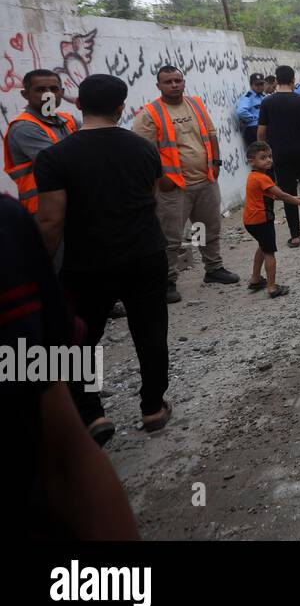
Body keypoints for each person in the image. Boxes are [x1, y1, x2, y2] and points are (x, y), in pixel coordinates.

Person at [34, 73, 173, 437]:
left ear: (77, 105)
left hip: (86, 263)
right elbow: (151, 198)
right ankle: (152, 408)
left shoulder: (54, 157)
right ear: (120, 108)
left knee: (80, 337)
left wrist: (42, 270)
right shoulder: (144, 148)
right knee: (151, 332)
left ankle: (93, 414)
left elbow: (50, 221)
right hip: (145, 254)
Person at [1, 194, 139, 538]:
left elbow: (66, 451)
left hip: (69, 258)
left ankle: (92, 410)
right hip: (72, 251)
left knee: (77, 342)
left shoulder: (8, 231)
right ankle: (95, 410)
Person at [132, 65, 239, 303]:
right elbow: (142, 153)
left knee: (206, 228)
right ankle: (167, 281)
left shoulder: (195, 104)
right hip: (173, 187)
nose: (174, 85)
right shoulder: (150, 114)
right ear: (158, 86)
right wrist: (161, 179)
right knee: (170, 238)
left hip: (205, 180)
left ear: (183, 82)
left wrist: (217, 163)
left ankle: (213, 269)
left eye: (177, 81)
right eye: (168, 82)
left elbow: (211, 134)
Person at [257, 65, 300, 247]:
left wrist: (262, 155)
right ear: (294, 80)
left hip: (279, 154)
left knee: (288, 193)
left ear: (276, 80)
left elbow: (261, 132)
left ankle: (295, 236)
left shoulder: (267, 103)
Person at [3, 68, 79, 216]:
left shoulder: (69, 119)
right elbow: (59, 165)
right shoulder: (24, 127)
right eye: (41, 90)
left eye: (54, 89)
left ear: (62, 93)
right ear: (25, 94)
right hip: (44, 211)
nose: (48, 94)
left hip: (71, 206)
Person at [243, 141, 300, 299]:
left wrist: (293, 197)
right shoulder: (262, 178)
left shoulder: (253, 177)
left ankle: (255, 279)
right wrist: (299, 201)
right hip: (262, 220)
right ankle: (272, 287)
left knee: (263, 246)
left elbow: (270, 196)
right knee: (269, 253)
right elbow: (281, 195)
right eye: (263, 157)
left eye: (270, 156)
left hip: (251, 221)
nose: (268, 160)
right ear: (252, 161)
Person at [236, 73, 266, 148]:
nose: (259, 86)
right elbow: (241, 111)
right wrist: (254, 118)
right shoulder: (248, 97)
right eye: (257, 84)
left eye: (261, 84)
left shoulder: (263, 96)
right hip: (253, 129)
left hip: (262, 128)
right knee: (258, 154)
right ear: (251, 85)